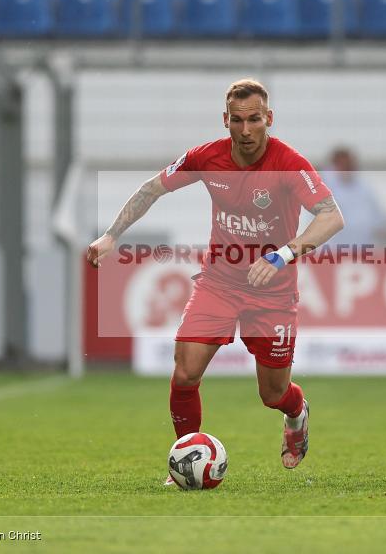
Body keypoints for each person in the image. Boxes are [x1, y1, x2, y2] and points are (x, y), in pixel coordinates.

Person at [87, 79, 344, 483]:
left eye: (254, 119)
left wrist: (283, 254)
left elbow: (332, 216)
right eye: (237, 121)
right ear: (225, 120)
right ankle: (187, 458)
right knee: (185, 372)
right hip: (219, 282)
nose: (245, 130)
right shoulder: (206, 157)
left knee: (272, 394)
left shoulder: (289, 164)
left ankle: (296, 412)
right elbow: (151, 189)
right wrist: (111, 234)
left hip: (273, 292)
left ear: (269, 119)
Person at [319, 147, 384, 249]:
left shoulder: (364, 187)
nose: (346, 170)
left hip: (364, 246)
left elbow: (377, 216)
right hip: (333, 249)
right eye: (342, 166)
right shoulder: (324, 187)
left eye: (348, 166)